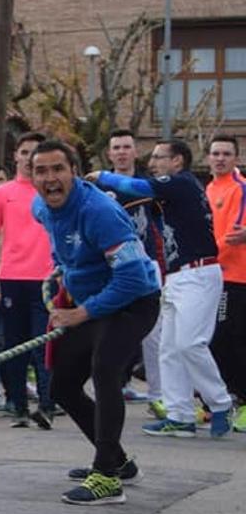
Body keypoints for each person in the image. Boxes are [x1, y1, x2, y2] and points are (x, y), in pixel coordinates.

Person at [30, 140, 160, 505]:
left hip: (134, 303)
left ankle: (106, 477)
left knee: (105, 369)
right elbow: (63, 248)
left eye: (58, 169)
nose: (50, 178)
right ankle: (120, 462)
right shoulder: (39, 207)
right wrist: (65, 281)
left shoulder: (99, 210)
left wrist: (79, 313)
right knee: (63, 387)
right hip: (91, 302)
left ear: (75, 171)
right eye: (41, 171)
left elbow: (133, 278)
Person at [89, 139, 233, 439]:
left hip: (199, 271)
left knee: (190, 343)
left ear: (177, 161)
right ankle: (179, 415)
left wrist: (103, 177)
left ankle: (220, 402)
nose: (153, 162)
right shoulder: (171, 195)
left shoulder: (181, 183)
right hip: (176, 276)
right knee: (168, 348)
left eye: (159, 157)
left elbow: (140, 188)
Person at [0, 132, 56, 430]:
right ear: (17, 157)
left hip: (46, 279)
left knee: (42, 346)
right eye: (24, 152)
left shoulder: (52, 191)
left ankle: (47, 405)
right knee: (14, 346)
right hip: (12, 278)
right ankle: (19, 406)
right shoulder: (3, 192)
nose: (28, 157)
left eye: (34, 152)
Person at [97, 129, 165, 408]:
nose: (122, 152)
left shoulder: (149, 187)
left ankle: (159, 395)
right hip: (108, 269)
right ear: (110, 153)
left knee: (153, 335)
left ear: (136, 152)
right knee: (108, 330)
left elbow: (162, 226)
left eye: (127, 147)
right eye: (117, 147)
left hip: (147, 266)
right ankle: (113, 388)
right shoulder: (97, 188)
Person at [203, 135, 246, 431]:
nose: (220, 158)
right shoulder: (208, 188)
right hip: (210, 275)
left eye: (226, 154)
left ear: (236, 158)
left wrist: (202, 257)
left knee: (229, 340)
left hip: (234, 277)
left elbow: (233, 236)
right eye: (215, 153)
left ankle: (241, 400)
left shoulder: (239, 189)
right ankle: (215, 400)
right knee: (207, 340)